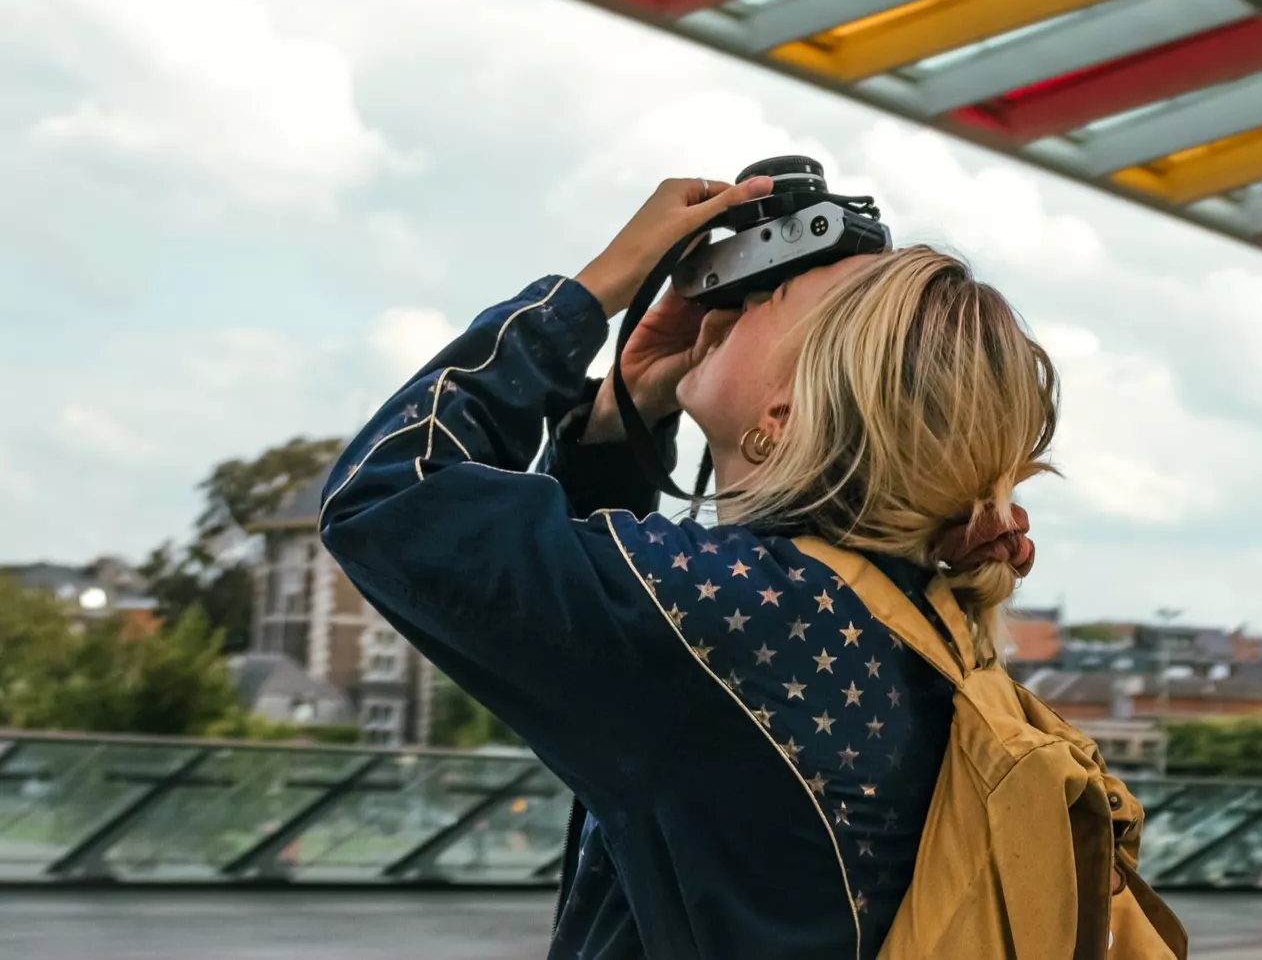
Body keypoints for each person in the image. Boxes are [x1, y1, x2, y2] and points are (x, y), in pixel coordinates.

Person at [319, 175, 1130, 958]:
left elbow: (385, 499)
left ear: (787, 410)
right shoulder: (892, 615)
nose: (724, 311)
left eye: (762, 300)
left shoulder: (752, 621)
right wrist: (618, 418)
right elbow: (616, 647)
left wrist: (593, 293)